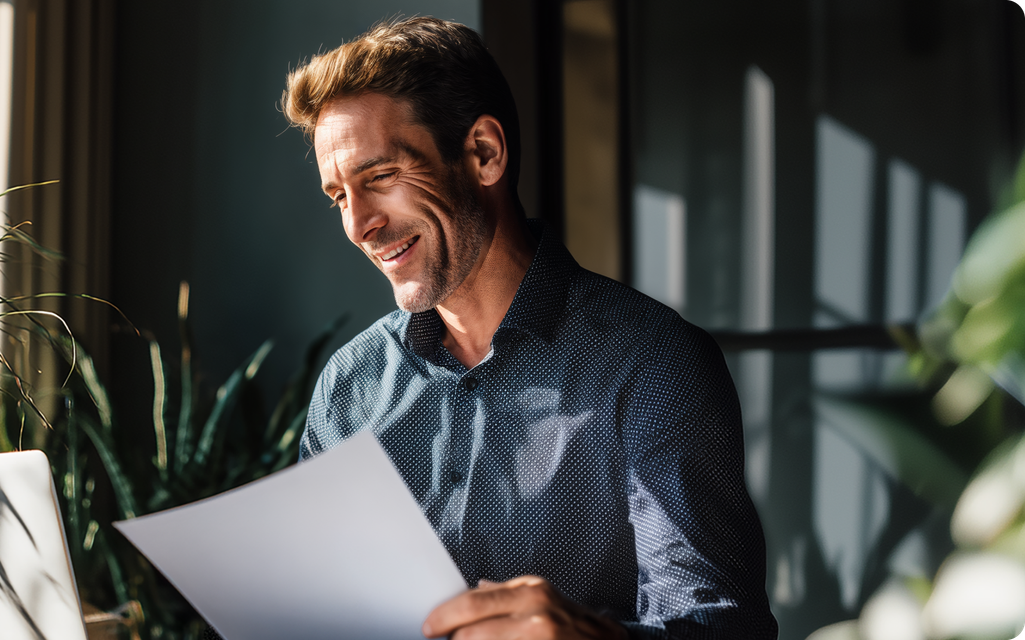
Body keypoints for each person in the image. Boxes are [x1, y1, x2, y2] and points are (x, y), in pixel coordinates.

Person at [283, 16, 777, 640]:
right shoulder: (348, 389)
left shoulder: (652, 363)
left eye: (380, 178)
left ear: (483, 154)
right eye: (338, 196)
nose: (359, 226)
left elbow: (726, 629)